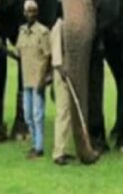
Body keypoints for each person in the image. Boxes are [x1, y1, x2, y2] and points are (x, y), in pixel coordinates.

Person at [16, 0, 51, 159]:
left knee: (38, 115)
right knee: (27, 115)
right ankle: (34, 144)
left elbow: (47, 56)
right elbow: (19, 55)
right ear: (24, 13)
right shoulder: (22, 31)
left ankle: (39, 148)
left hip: (38, 80)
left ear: (37, 13)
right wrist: (3, 50)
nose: (31, 13)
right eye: (28, 10)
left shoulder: (43, 32)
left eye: (34, 10)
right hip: (26, 81)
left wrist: (43, 79)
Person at [49, 19, 75, 165]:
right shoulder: (58, 26)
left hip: (69, 73)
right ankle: (58, 153)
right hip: (62, 75)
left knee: (71, 114)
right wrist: (62, 71)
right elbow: (56, 57)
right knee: (63, 112)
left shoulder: (69, 24)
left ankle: (67, 149)